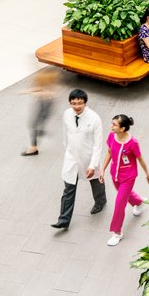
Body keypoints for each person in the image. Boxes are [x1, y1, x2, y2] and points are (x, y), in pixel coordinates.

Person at [52, 89, 106, 229]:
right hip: (72, 156)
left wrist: (93, 165)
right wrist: (68, 150)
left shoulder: (94, 119)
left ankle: (100, 201)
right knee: (69, 188)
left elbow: (98, 145)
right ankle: (63, 219)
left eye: (80, 103)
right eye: (73, 103)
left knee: (95, 182)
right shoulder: (67, 114)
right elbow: (66, 134)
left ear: (85, 103)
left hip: (89, 157)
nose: (76, 106)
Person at [98, 114, 149, 246]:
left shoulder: (133, 143)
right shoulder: (111, 136)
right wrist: (103, 169)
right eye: (112, 123)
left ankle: (117, 232)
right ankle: (139, 202)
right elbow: (109, 153)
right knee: (125, 196)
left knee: (119, 203)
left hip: (128, 177)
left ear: (122, 128)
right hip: (115, 175)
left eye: (114, 124)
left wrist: (147, 174)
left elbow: (140, 159)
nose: (111, 126)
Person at [20, 69, 59, 156]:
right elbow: (39, 89)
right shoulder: (47, 85)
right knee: (33, 124)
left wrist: (31, 93)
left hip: (44, 109)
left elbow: (45, 94)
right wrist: (27, 91)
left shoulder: (50, 91)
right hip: (43, 108)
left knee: (33, 125)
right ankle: (38, 134)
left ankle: (33, 148)